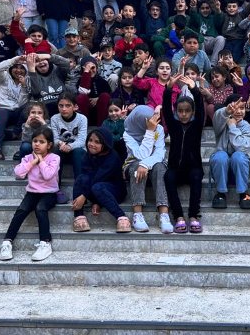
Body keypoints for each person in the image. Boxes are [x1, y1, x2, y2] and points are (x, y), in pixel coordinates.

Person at [0, 126, 60, 262]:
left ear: (49, 145)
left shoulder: (54, 158)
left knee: (40, 208)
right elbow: (18, 173)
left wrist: (41, 161)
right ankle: (7, 242)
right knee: (22, 209)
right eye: (35, 141)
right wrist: (33, 162)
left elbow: (48, 175)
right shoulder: (27, 158)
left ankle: (45, 243)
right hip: (32, 192)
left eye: (41, 142)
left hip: (50, 193)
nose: (37, 144)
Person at [163, 75, 205, 233]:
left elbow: (200, 108)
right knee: (168, 177)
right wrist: (168, 89)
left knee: (196, 176)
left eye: (187, 111)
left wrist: (194, 89)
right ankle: (179, 216)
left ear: (192, 112)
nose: (184, 114)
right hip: (176, 168)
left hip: (193, 167)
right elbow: (166, 109)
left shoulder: (197, 125)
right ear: (176, 112)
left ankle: (193, 216)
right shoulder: (173, 125)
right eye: (180, 111)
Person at [70, 128, 131, 233]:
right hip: (94, 189)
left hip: (114, 191)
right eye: (90, 140)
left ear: (105, 144)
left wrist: (84, 196)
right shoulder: (88, 156)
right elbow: (87, 177)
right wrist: (93, 200)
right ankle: (79, 216)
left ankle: (121, 217)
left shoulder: (112, 157)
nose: (92, 144)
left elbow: (98, 178)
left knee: (97, 187)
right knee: (81, 179)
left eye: (97, 142)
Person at [123, 105, 172, 233]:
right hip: (133, 164)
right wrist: (149, 132)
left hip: (153, 164)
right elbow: (140, 155)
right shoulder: (128, 133)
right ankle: (137, 213)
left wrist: (145, 164)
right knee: (136, 166)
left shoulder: (158, 128)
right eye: (149, 121)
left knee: (160, 167)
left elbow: (160, 153)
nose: (153, 122)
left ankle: (164, 214)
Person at [210, 97, 250, 209]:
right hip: (220, 172)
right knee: (220, 156)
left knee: (238, 156)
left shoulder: (248, 128)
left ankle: (243, 193)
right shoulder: (221, 123)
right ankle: (221, 193)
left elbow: (241, 147)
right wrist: (226, 111)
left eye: (242, 108)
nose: (239, 111)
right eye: (235, 108)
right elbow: (217, 117)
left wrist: (232, 126)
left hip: (239, 173)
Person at [0, 55, 31, 160]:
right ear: (11, 68)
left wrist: (24, 86)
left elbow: (21, 103)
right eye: (15, 67)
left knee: (29, 107)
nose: (18, 70)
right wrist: (14, 60)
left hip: (18, 112)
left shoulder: (28, 81)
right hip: (4, 109)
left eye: (22, 68)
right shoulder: (4, 78)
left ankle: (15, 133)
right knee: (0, 112)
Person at [50, 91, 87, 200]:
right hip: (62, 150)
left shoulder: (82, 118)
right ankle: (54, 190)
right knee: (55, 152)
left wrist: (70, 146)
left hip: (77, 151)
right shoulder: (54, 118)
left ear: (75, 107)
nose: (64, 109)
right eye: (61, 106)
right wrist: (61, 144)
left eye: (68, 105)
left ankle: (79, 192)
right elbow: (55, 139)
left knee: (78, 151)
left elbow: (82, 141)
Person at [26, 51, 72, 118]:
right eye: (37, 61)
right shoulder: (32, 75)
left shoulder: (58, 70)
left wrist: (48, 56)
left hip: (62, 105)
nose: (41, 62)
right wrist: (32, 71)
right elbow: (35, 92)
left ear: (48, 61)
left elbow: (66, 63)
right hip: (44, 107)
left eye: (43, 59)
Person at [74, 55, 112, 127]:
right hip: (86, 113)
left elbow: (108, 94)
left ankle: (102, 126)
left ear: (96, 68)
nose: (90, 70)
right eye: (88, 68)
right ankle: (83, 126)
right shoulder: (80, 81)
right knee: (81, 97)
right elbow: (83, 91)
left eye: (93, 68)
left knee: (105, 96)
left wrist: (98, 98)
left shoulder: (102, 81)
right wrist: (86, 73)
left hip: (100, 113)